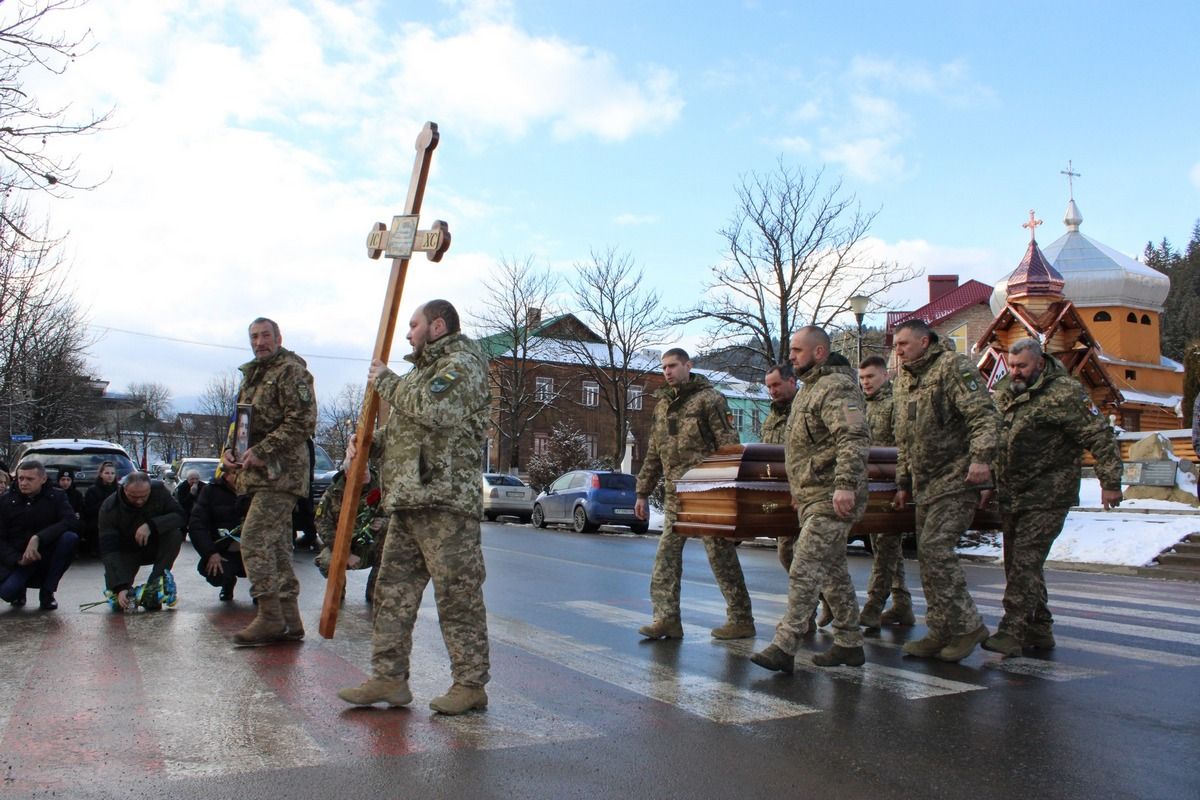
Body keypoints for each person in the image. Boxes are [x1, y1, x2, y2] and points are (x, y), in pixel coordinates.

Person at [338, 299, 492, 715]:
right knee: (392, 593)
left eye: (414, 325)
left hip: (445, 503)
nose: (408, 333)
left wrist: (386, 382)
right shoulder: (421, 373)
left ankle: (470, 683)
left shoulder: (464, 364)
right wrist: (368, 445)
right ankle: (389, 677)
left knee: (457, 596)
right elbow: (406, 431)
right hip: (408, 502)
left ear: (437, 326)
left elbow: (437, 411)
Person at [982, 338, 1123, 656]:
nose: (1016, 372)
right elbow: (996, 436)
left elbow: (1098, 435)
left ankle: (1012, 632)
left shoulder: (1065, 393)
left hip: (1049, 492)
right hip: (1013, 492)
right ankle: (1040, 628)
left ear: (1040, 363)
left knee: (1025, 563)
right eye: (1012, 366)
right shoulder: (1006, 391)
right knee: (1018, 564)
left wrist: (1110, 481)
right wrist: (988, 478)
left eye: (1022, 366)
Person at [752, 327, 870, 672]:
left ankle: (785, 645)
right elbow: (804, 447)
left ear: (819, 352)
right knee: (833, 573)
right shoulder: (810, 390)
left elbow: (853, 436)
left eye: (798, 350)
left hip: (832, 494)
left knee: (803, 566)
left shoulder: (836, 387)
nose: (791, 356)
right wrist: (796, 490)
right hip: (812, 495)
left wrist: (846, 484)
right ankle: (850, 642)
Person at [891, 319, 999, 662]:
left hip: (957, 477)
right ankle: (939, 630)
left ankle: (969, 626)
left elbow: (983, 416)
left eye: (904, 344)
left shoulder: (953, 367)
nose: (898, 350)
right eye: (896, 345)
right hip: (927, 484)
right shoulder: (905, 380)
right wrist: (904, 482)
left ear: (925, 341)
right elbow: (906, 438)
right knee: (927, 558)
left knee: (937, 549)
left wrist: (982, 460)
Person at [633, 348, 754, 641]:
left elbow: (729, 447)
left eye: (673, 366)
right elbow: (654, 453)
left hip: (708, 492)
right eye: (664, 367)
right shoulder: (662, 405)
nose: (667, 372)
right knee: (666, 557)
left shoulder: (709, 400)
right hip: (677, 495)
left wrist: (727, 494)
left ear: (689, 366)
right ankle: (667, 619)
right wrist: (642, 492)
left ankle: (741, 618)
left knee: (721, 556)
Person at [221, 317, 316, 645]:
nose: (259, 342)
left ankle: (269, 615)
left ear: (278, 337)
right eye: (254, 336)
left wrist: (264, 449)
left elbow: (303, 420)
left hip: (281, 473)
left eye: (265, 336)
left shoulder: (291, 371)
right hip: (256, 475)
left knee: (254, 538)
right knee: (275, 547)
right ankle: (290, 620)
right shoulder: (252, 375)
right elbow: (241, 423)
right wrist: (229, 453)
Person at [857, 354, 913, 628]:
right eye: (862, 378)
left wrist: (902, 484)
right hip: (868, 487)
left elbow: (903, 446)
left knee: (888, 545)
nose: (866, 383)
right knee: (883, 547)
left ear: (885, 376)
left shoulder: (895, 404)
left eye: (871, 377)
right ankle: (902, 605)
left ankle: (874, 603)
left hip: (890, 486)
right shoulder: (859, 407)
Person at [98, 472, 185, 611]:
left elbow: (180, 516)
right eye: (133, 496)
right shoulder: (109, 508)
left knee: (174, 534)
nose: (139, 501)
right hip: (126, 550)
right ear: (124, 489)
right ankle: (124, 589)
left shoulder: (160, 491)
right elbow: (109, 549)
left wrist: (152, 525)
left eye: (144, 496)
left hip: (153, 545)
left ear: (150, 488)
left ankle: (156, 583)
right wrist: (121, 586)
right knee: (120, 599)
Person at [0, 460, 79, 610]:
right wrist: (16, 559)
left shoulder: (56, 497)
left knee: (69, 538)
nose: (23, 483)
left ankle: (47, 592)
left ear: (43, 479)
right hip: (18, 557)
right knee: (7, 592)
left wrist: (38, 538)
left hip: (44, 553)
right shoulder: (6, 501)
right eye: (20, 478)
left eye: (30, 479)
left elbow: (70, 521)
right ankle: (19, 591)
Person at [314, 460, 387, 603]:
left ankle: (375, 591)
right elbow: (322, 524)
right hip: (344, 544)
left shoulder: (382, 488)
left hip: (374, 545)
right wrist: (345, 553)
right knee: (327, 562)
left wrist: (383, 522)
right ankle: (337, 594)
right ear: (348, 473)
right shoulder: (333, 493)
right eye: (360, 470)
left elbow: (397, 516)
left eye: (366, 468)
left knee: (393, 550)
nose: (365, 472)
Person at [188, 466, 249, 602]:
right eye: (237, 474)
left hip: (255, 549)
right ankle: (227, 583)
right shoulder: (210, 491)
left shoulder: (257, 492)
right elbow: (197, 525)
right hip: (226, 549)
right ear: (227, 475)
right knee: (215, 571)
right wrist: (210, 553)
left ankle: (262, 592)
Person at [82, 461, 119, 556]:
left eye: (112, 473)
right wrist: (105, 503)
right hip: (97, 520)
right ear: (101, 474)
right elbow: (88, 511)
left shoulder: (119, 490)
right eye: (107, 473)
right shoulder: (93, 490)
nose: (110, 476)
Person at [173, 469, 202, 537]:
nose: (194, 481)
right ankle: (183, 533)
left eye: (196, 479)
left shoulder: (203, 486)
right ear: (187, 479)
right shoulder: (182, 487)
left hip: (199, 509)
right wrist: (191, 494)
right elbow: (182, 502)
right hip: (186, 509)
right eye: (192, 479)